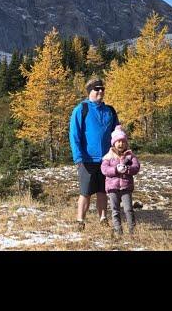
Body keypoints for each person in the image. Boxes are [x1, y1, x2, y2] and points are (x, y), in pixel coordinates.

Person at [69, 77, 119, 231]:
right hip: (86, 159)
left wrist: (117, 153)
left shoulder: (109, 110)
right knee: (85, 192)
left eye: (102, 88)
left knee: (103, 191)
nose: (101, 91)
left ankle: (103, 218)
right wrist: (78, 158)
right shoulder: (81, 109)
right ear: (89, 91)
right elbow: (74, 135)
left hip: (106, 159)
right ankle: (80, 221)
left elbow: (117, 133)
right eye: (97, 89)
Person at [101, 125, 140, 235]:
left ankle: (133, 231)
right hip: (112, 187)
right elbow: (104, 170)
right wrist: (115, 170)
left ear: (126, 143)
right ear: (113, 143)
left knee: (128, 209)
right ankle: (118, 231)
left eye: (123, 141)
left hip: (126, 187)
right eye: (118, 141)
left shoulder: (130, 156)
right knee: (115, 210)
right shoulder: (108, 156)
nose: (121, 144)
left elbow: (136, 167)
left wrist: (127, 169)